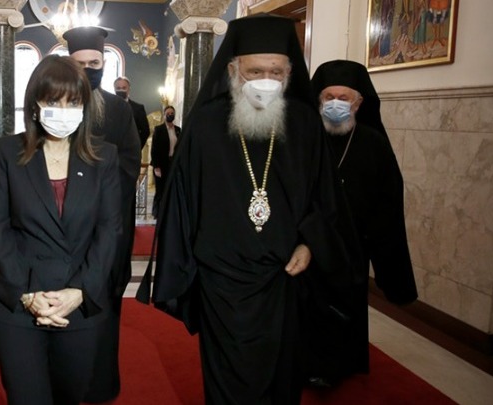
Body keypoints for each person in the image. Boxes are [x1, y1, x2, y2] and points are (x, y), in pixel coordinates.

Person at [140, 15, 357, 404]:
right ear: (233, 70)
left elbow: (324, 197)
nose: (266, 80)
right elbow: (182, 201)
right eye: (255, 71)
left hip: (285, 278)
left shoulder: (305, 124)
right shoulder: (206, 124)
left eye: (276, 72)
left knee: (282, 377)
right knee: (229, 383)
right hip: (221, 280)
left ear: (289, 73)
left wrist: (310, 243)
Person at [0, 54, 122, 405]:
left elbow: (109, 230)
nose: (63, 111)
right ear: (35, 105)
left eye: (73, 102)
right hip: (16, 300)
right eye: (53, 102)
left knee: (71, 393)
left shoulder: (104, 157)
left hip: (80, 301)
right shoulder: (5, 153)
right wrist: (26, 293)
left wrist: (80, 291)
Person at [308, 59, 418, 385]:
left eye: (344, 98)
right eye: (329, 97)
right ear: (318, 101)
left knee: (346, 307)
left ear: (358, 103)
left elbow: (388, 202)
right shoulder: (306, 140)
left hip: (353, 246)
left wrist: (385, 257)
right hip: (309, 244)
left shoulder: (373, 143)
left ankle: (342, 365)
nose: (336, 104)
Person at [62, 26, 141, 403]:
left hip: (107, 225)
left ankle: (100, 384)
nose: (89, 70)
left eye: (95, 63)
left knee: (104, 302)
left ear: (104, 63)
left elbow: (129, 164)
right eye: (80, 64)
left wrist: (93, 193)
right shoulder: (53, 105)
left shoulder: (120, 109)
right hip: (62, 225)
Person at [149, 105, 181, 218]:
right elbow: (154, 149)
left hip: (173, 163)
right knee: (160, 190)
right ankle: (157, 213)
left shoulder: (178, 130)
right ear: (164, 115)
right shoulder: (159, 129)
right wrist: (156, 166)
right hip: (161, 164)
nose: (170, 115)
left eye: (172, 113)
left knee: (172, 189)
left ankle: (169, 213)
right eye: (168, 113)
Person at [114, 76, 150, 148]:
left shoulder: (138, 108)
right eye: (118, 88)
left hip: (132, 149)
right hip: (111, 150)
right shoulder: (107, 107)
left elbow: (145, 131)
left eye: (124, 88)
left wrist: (137, 147)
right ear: (114, 89)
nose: (121, 90)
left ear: (129, 89)